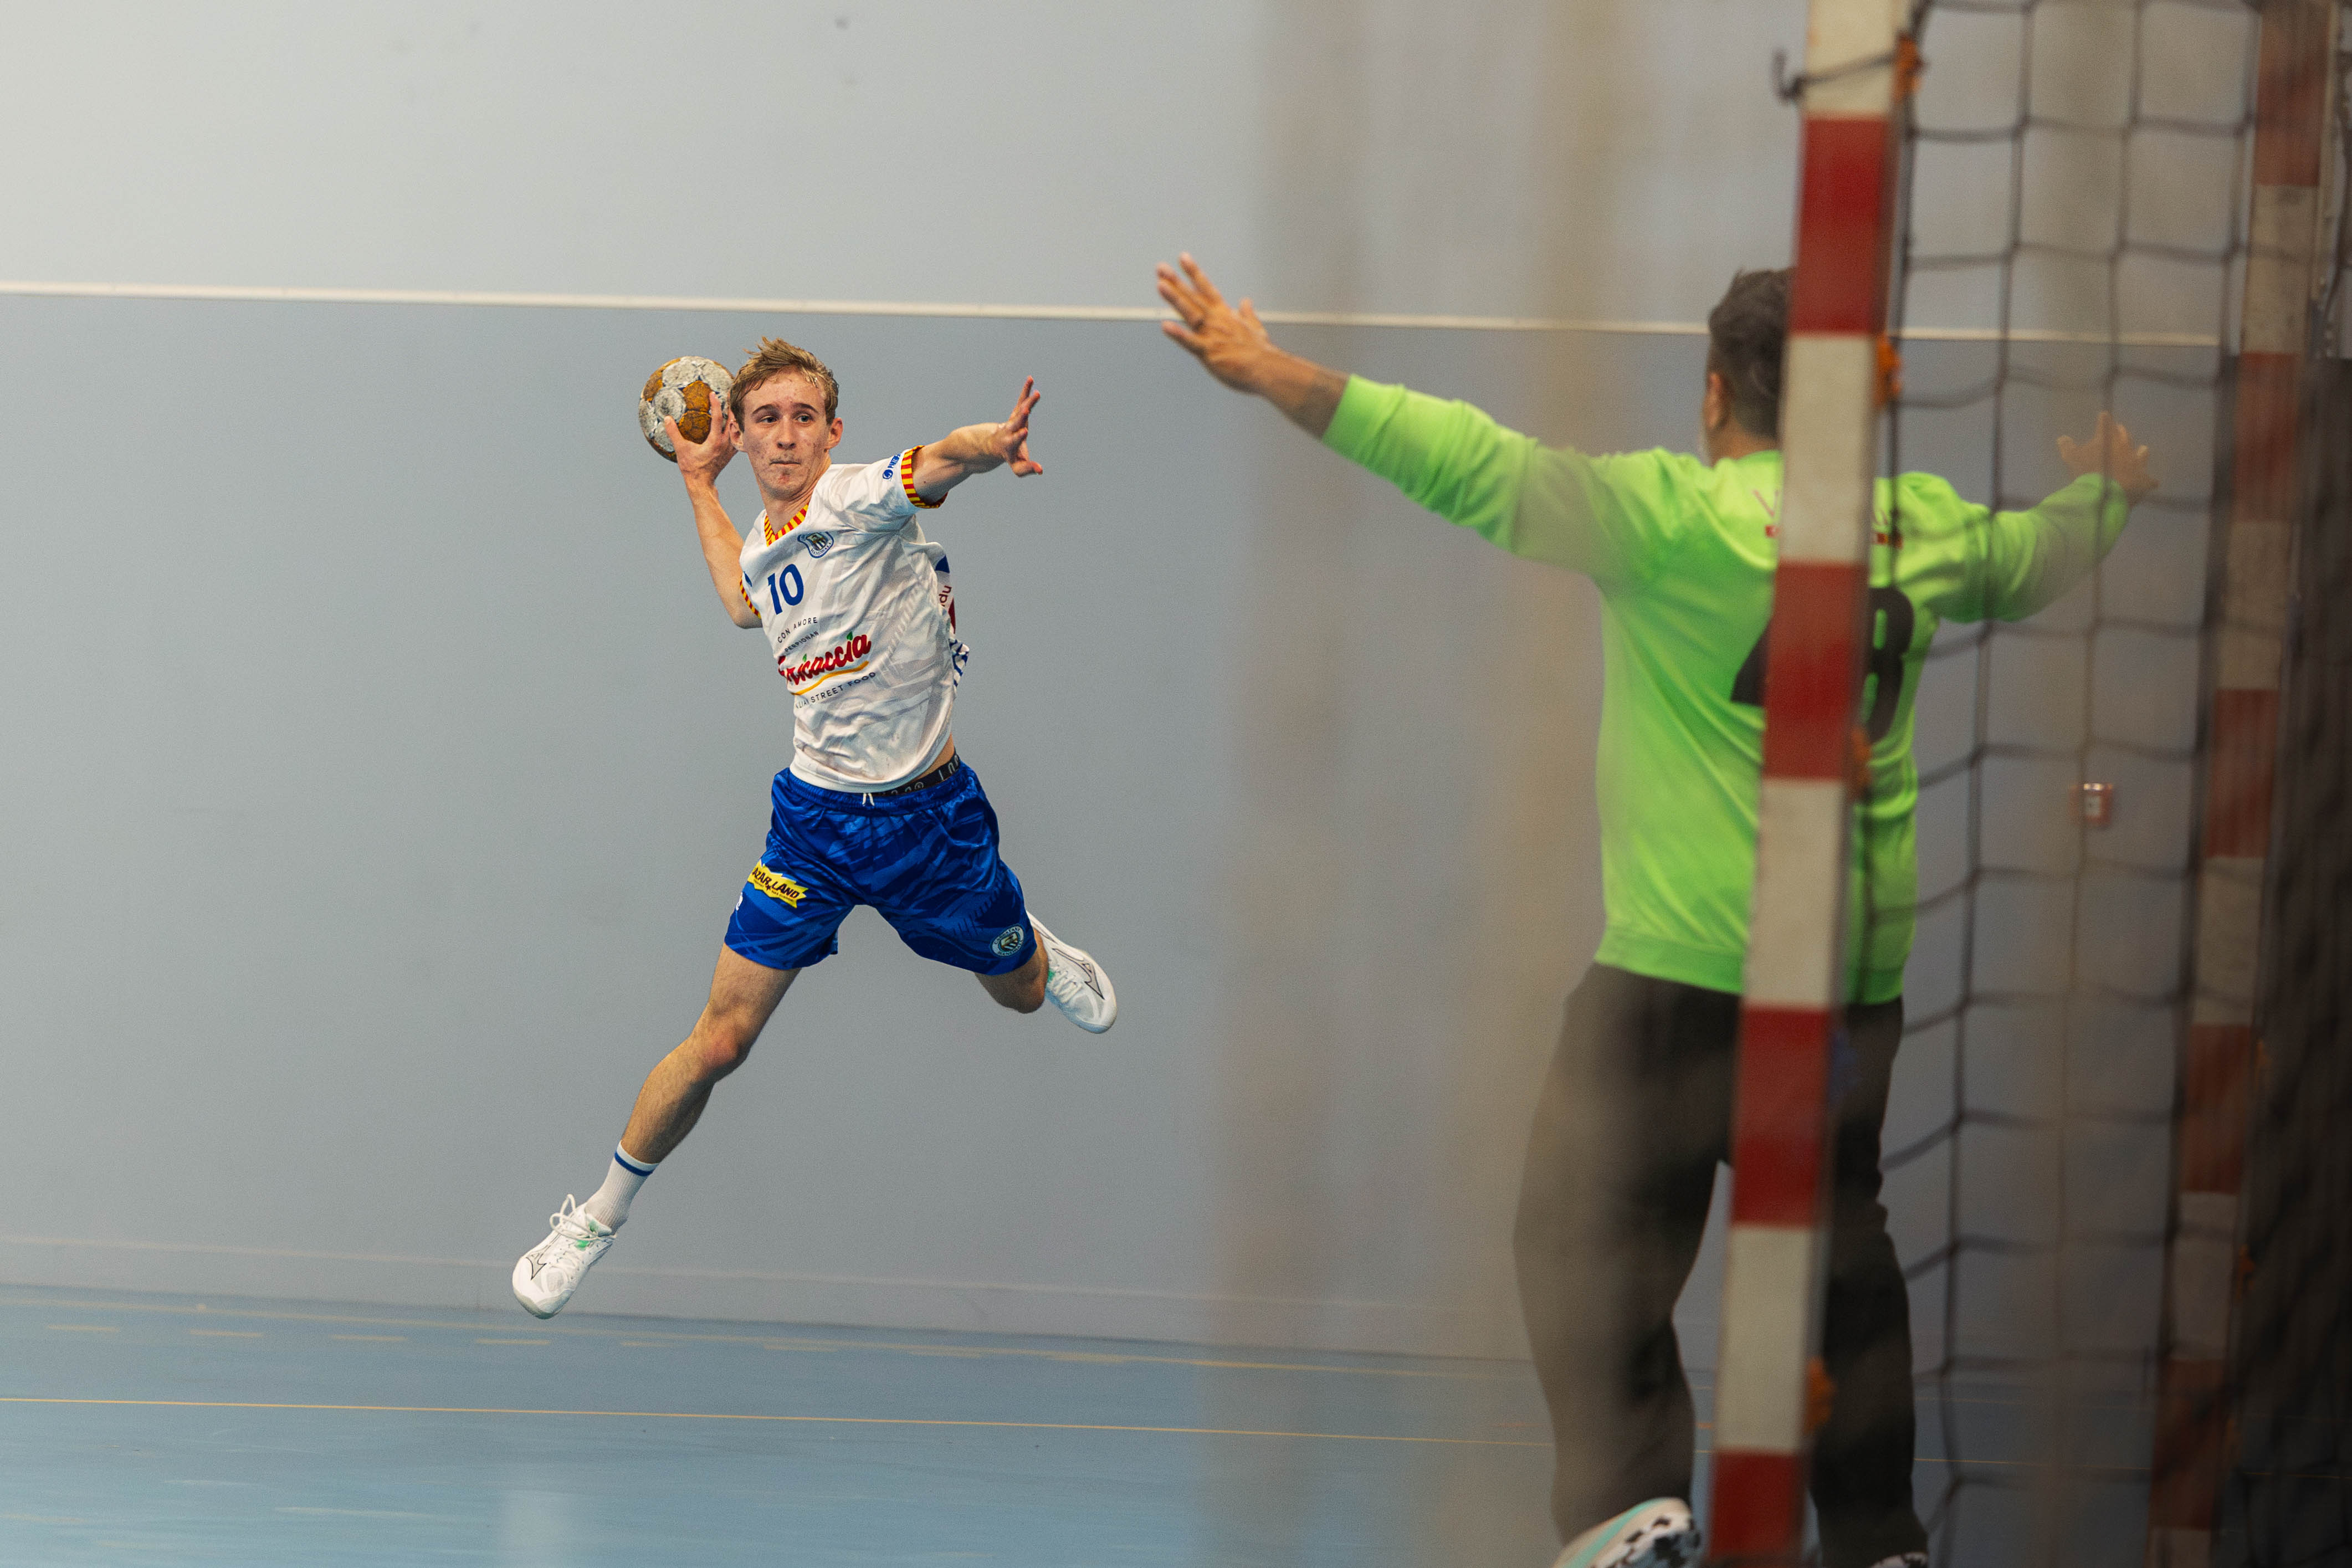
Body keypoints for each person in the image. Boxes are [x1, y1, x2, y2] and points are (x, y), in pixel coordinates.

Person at [1154, 255, 2153, 1568]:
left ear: (1714, 394)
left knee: (1579, 1237)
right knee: (1836, 1257)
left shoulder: (1670, 516)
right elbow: (2029, 562)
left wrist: (1268, 367)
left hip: (1683, 974)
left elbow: (1464, 460)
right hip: (1847, 982)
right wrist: (2105, 493)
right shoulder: (1916, 526)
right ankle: (1877, 1541)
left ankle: (1633, 1515)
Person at [514, 338, 1117, 1320]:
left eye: (804, 417)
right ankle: (596, 1217)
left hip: (931, 823)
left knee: (1017, 994)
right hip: (814, 827)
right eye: (767, 419)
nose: (787, 435)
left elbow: (940, 459)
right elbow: (739, 599)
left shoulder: (858, 498)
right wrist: (697, 484)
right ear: (742, 436)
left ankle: (1031, 941)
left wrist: (991, 444)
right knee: (720, 1042)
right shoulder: (764, 538)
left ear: (832, 433)